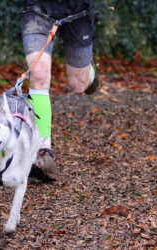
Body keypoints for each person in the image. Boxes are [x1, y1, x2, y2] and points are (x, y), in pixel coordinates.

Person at [20, 0, 100, 180]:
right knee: (38, 73)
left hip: (78, 8)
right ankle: (43, 150)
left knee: (79, 84)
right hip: (38, 8)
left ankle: (90, 70)